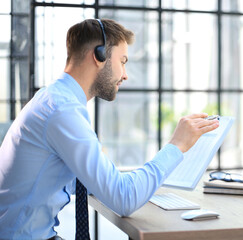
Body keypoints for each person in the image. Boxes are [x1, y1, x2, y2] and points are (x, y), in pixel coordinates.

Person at [0, 19, 219, 239]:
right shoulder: (61, 110)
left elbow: (84, 182)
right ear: (100, 55)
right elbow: (124, 200)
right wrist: (177, 145)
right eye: (122, 61)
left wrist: (116, 180)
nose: (125, 75)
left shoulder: (55, 100)